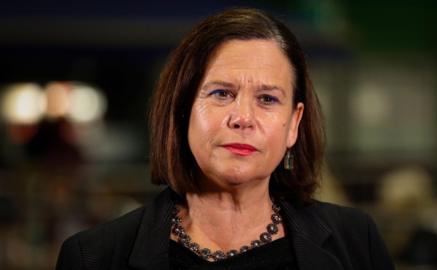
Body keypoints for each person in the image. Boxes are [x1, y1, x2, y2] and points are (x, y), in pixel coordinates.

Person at [56, 8, 394, 270]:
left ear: (294, 125)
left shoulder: (355, 241)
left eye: (267, 99)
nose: (243, 118)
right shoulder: (94, 257)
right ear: (183, 110)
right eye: (221, 93)